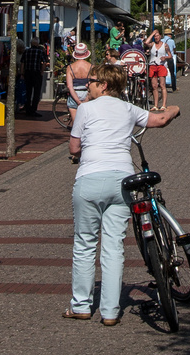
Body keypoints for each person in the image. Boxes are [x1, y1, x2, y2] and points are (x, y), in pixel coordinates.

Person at [65, 63, 180, 325]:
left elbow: (74, 148)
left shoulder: (85, 109)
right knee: (114, 246)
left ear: (103, 84)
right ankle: (110, 311)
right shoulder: (129, 109)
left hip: (90, 180)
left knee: (84, 243)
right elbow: (159, 120)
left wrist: (87, 152)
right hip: (122, 180)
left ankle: (81, 305)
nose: (87, 86)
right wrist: (175, 108)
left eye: (91, 81)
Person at [65, 42, 94, 111]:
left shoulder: (70, 67)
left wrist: (78, 101)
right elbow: (92, 84)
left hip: (74, 95)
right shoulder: (91, 67)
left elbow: (69, 86)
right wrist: (86, 100)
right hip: (87, 94)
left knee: (75, 121)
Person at [146, 30, 170, 112]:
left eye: (157, 35)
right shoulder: (152, 44)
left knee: (162, 85)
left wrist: (165, 57)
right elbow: (146, 43)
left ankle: (164, 105)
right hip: (152, 65)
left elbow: (170, 55)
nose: (156, 37)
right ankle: (155, 105)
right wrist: (152, 33)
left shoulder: (165, 45)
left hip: (161, 65)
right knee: (154, 86)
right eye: (155, 36)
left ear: (160, 36)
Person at [163, 28, 178, 93]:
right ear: (169, 34)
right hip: (170, 58)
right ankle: (174, 88)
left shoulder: (161, 40)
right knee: (172, 73)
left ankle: (163, 86)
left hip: (163, 58)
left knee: (163, 73)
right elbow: (174, 49)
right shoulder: (172, 41)